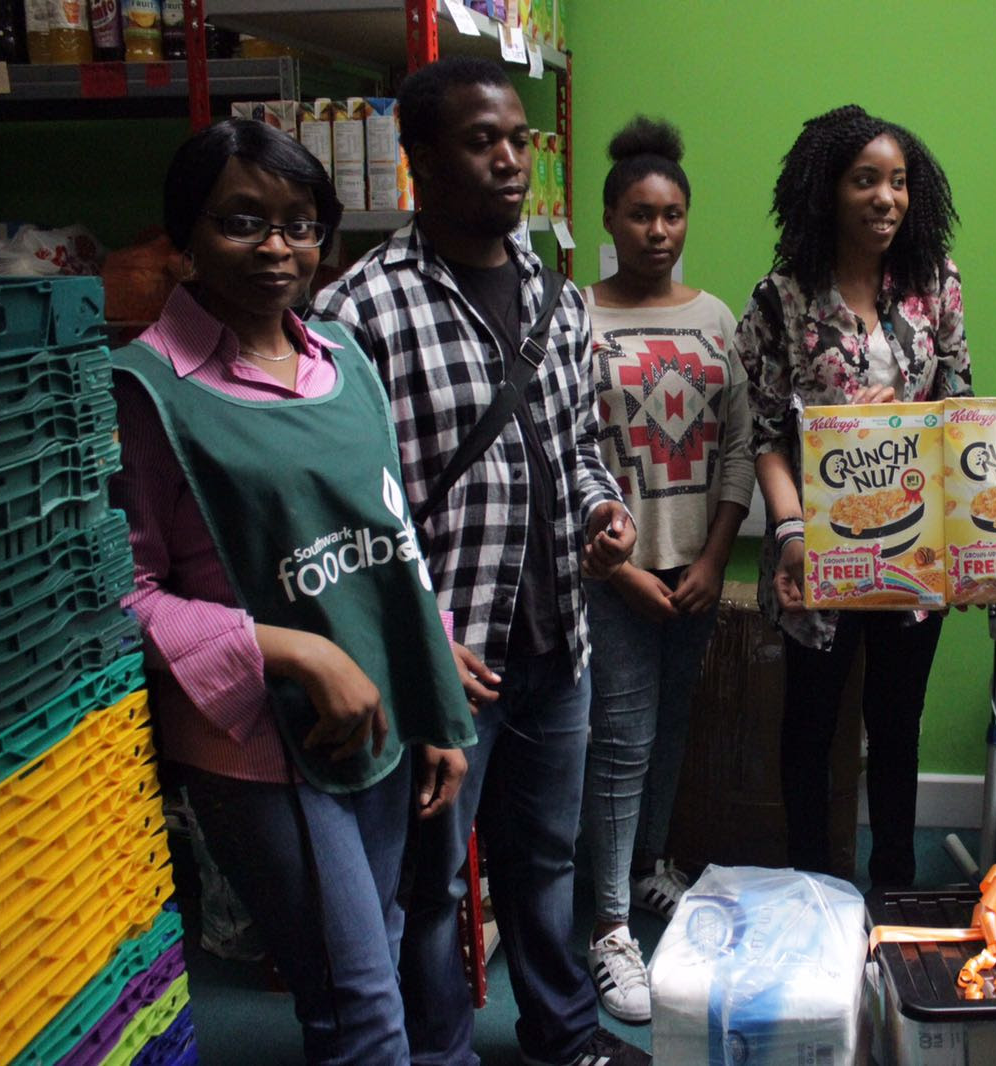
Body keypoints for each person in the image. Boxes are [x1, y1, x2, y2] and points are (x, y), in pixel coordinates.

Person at [110, 118, 478, 1064]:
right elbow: (122, 594)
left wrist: (430, 691)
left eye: (301, 224)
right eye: (243, 221)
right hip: (261, 747)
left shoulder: (343, 359)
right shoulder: (146, 389)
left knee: (367, 964)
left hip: (381, 715)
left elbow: (388, 541)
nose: (278, 247)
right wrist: (296, 650)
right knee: (361, 1009)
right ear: (185, 236)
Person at [311, 58, 644, 1066]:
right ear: (418, 158)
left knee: (545, 863)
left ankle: (563, 1037)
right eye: (479, 141)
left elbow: (577, 447)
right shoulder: (360, 311)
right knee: (434, 884)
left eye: (516, 140)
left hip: (557, 641)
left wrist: (603, 510)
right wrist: (412, 641)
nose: (507, 160)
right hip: (446, 657)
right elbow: (350, 508)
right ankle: (441, 1054)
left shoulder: (555, 295)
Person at [735, 104, 971, 888]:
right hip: (816, 552)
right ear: (827, 189)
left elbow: (959, 409)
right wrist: (791, 537)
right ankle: (812, 889)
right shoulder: (781, 299)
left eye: (898, 182)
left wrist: (907, 417)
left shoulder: (935, 284)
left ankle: (896, 886)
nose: (886, 198)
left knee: (897, 725)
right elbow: (766, 435)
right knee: (810, 728)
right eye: (865, 180)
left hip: (914, 549)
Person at [577, 116, 754, 1023]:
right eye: (641, 214)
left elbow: (738, 448)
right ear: (609, 217)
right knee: (620, 743)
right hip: (611, 579)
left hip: (694, 573)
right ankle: (609, 926)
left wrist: (715, 557)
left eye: (673, 214)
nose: (658, 231)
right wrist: (621, 575)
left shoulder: (716, 319)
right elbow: (563, 454)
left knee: (671, 728)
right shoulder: (574, 317)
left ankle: (649, 867)